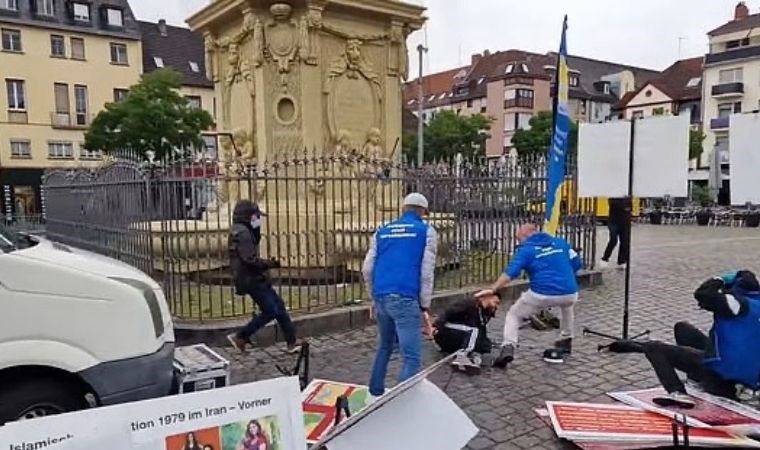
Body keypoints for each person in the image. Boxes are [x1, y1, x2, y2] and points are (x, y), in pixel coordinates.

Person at [611, 270, 760, 408]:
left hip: (721, 378)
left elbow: (703, 294)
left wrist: (719, 279)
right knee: (683, 328)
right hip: (748, 376)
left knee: (653, 347)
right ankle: (695, 379)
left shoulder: (735, 304)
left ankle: (679, 393)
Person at [363, 193, 438, 398]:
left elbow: (367, 268)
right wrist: (424, 305)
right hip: (405, 297)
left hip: (381, 297)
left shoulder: (382, 231)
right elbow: (426, 271)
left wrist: (373, 296)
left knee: (385, 346)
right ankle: (399, 401)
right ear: (423, 212)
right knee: (412, 356)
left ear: (403, 208)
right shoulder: (426, 231)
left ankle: (375, 391)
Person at [478, 224, 582, 368]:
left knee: (514, 314)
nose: (519, 243)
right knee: (567, 305)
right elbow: (577, 263)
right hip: (570, 292)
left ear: (526, 237)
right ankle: (566, 339)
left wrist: (492, 288)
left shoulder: (526, 250)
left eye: (519, 239)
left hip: (541, 294)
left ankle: (508, 346)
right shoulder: (560, 242)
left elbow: (510, 273)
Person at [227, 200, 303, 354]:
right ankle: (241, 336)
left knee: (279, 306)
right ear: (248, 216)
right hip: (251, 279)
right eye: (256, 216)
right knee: (271, 310)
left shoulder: (242, 230)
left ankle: (292, 341)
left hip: (253, 277)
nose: (258, 220)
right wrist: (269, 264)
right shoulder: (242, 233)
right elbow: (249, 259)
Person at [433, 292, 501, 375]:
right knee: (473, 330)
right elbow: (448, 312)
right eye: (496, 302)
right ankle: (462, 357)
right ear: (487, 297)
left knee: (478, 338)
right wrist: (436, 326)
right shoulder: (469, 304)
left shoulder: (485, 314)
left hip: (457, 337)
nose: (496, 306)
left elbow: (481, 333)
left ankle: (476, 358)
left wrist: (486, 347)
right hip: (444, 330)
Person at [599, 197, 631, 269]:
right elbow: (613, 204)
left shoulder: (627, 196)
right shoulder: (614, 196)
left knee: (625, 242)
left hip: (625, 222)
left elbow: (629, 207)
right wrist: (623, 206)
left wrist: (625, 207)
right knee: (613, 240)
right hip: (613, 221)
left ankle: (622, 261)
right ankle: (605, 258)